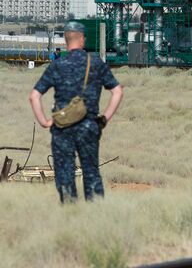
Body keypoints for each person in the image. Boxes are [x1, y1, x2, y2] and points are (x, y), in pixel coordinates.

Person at [29, 21, 124, 203]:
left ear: (66, 40)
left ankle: (70, 212)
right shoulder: (95, 63)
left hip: (62, 128)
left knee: (64, 174)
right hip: (89, 126)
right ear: (82, 39)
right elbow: (117, 91)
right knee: (91, 172)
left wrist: (44, 122)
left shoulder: (58, 64)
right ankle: (94, 214)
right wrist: (104, 118)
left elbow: (34, 96)